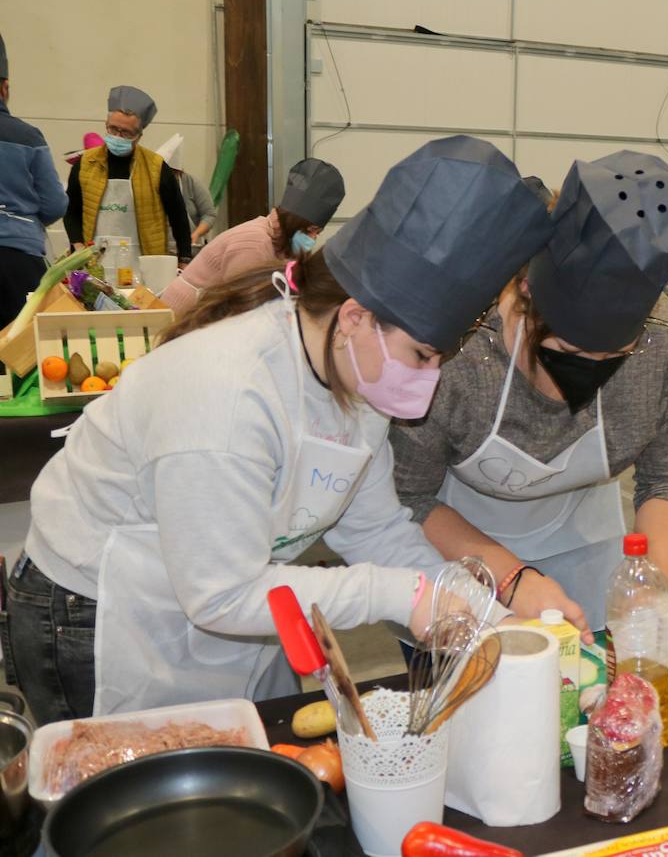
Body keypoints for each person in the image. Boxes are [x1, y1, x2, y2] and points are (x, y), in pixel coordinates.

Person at [2, 136, 553, 722]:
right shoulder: (227, 393)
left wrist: (481, 612)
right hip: (99, 607)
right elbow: (221, 593)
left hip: (220, 590)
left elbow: (376, 530)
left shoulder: (356, 373)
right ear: (354, 318)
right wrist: (400, 595)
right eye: (421, 355)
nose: (428, 380)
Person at [390, 151, 668, 636]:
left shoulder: (664, 350)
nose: (588, 375)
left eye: (613, 357)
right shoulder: (458, 352)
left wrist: (649, 585)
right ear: (524, 290)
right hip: (451, 549)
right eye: (568, 350)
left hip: (586, 548)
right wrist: (511, 578)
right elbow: (405, 496)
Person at [162, 158, 345, 316]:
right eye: (310, 230)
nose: (313, 238)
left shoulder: (282, 244)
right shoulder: (255, 244)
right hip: (186, 316)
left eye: (317, 232)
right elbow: (241, 306)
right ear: (294, 221)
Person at [62, 86, 192, 263]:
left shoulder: (156, 167)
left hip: (146, 263)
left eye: (126, 132)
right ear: (106, 126)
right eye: (113, 129)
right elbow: (71, 210)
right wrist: (77, 245)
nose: (118, 136)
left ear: (139, 136)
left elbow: (178, 216)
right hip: (94, 262)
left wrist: (184, 258)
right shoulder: (85, 164)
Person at [0, 32, 68, 328]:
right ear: (5, 88)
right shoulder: (28, 137)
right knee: (20, 355)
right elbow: (54, 204)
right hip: (19, 259)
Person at [155, 134, 217, 247]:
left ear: (179, 172)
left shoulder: (192, 183)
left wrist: (196, 234)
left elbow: (209, 214)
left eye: (171, 173)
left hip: (190, 246)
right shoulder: (150, 182)